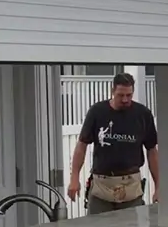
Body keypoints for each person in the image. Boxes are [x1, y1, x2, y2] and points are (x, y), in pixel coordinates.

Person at [67, 72, 159, 215]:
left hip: (130, 186)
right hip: (102, 186)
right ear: (112, 91)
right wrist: (74, 178)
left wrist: (158, 186)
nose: (125, 99)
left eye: (129, 95)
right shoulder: (97, 112)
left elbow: (152, 151)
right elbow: (81, 145)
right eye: (120, 95)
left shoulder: (143, 115)